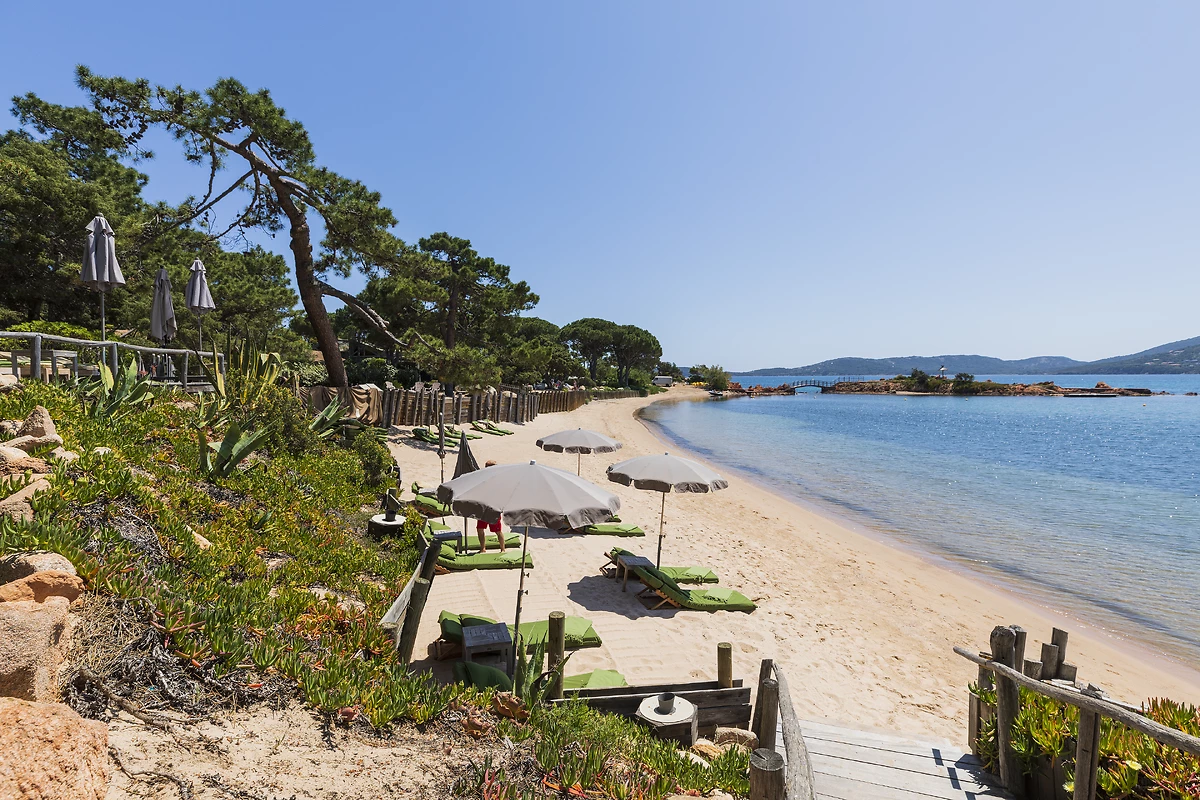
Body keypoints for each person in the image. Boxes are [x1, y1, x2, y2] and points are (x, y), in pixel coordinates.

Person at [475, 461, 506, 553]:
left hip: (493, 508)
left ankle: (503, 549)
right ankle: (483, 548)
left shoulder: (498, 480)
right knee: (480, 529)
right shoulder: (483, 478)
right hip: (483, 508)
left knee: (498, 530)